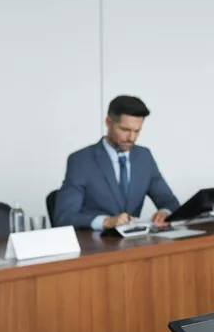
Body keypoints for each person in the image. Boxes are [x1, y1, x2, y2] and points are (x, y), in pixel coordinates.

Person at [54, 95, 179, 231]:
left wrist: (165, 212)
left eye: (137, 131)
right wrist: (106, 221)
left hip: (134, 244)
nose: (131, 138)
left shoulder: (144, 157)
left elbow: (170, 202)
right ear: (109, 122)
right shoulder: (81, 160)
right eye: (125, 130)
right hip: (96, 245)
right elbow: (63, 217)